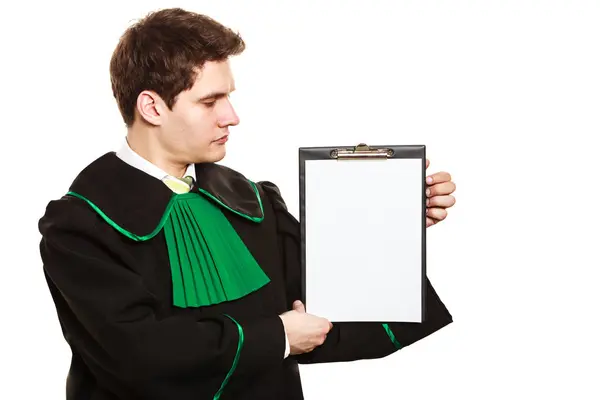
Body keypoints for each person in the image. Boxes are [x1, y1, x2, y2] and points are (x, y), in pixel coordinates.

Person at [38, 7, 456, 400]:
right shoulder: (79, 226)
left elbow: (327, 311)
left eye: (229, 97)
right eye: (209, 101)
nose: (232, 116)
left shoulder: (254, 201)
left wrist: (387, 225)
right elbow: (136, 358)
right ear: (151, 107)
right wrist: (277, 337)